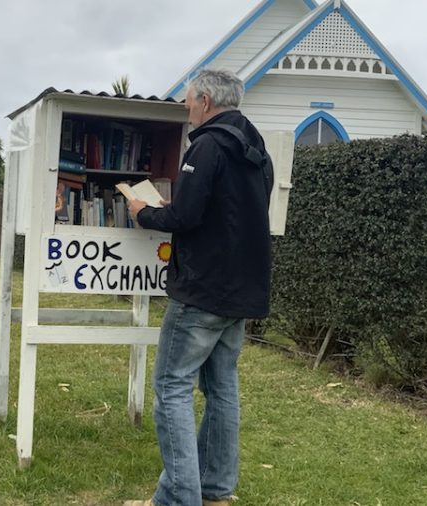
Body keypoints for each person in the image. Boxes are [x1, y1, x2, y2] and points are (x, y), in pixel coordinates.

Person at [123, 69, 274, 506]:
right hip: (241, 291)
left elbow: (185, 219)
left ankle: (178, 499)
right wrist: (183, 204)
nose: (186, 109)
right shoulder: (256, 150)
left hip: (202, 291)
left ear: (206, 101)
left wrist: (141, 211)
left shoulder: (206, 145)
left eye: (189, 101)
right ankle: (215, 492)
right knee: (222, 387)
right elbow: (227, 212)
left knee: (171, 386)